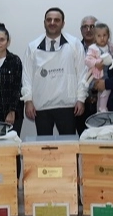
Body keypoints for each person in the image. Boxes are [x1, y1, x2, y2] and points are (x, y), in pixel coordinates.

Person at [22, 7, 87, 135]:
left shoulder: (74, 44)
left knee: (68, 144)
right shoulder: (33, 47)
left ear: (63, 23)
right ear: (44, 22)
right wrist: (28, 100)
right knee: (44, 145)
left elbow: (82, 74)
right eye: (49, 20)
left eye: (56, 20)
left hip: (67, 105)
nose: (52, 23)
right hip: (41, 106)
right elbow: (27, 76)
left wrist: (81, 99)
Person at [75, 14, 99, 133]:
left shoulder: (107, 49)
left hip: (100, 103)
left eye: (92, 26)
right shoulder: (74, 49)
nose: (88, 30)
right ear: (81, 30)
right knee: (82, 137)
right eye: (85, 27)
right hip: (80, 103)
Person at [84, 23, 113, 112]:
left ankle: (100, 109)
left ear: (108, 36)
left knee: (105, 92)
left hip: (108, 75)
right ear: (95, 37)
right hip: (97, 76)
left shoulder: (111, 47)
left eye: (104, 35)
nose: (102, 38)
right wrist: (95, 63)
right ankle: (102, 108)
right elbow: (87, 60)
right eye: (99, 36)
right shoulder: (93, 48)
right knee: (102, 93)